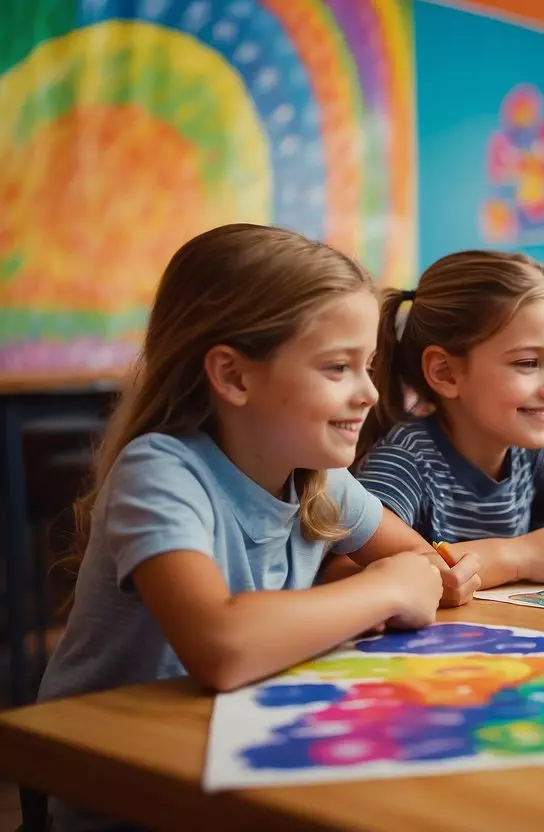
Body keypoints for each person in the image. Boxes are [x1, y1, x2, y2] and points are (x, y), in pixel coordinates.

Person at [37, 224, 478, 832]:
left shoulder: (318, 477)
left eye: (369, 365)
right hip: (127, 799)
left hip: (243, 761)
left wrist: (394, 581)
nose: (369, 394)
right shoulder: (161, 471)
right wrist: (384, 590)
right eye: (338, 368)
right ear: (235, 377)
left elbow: (434, 572)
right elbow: (222, 646)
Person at [354, 250, 544, 589]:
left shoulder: (529, 445)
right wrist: (521, 555)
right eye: (529, 363)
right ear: (446, 373)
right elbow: (347, 570)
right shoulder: (405, 460)